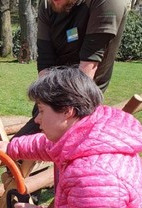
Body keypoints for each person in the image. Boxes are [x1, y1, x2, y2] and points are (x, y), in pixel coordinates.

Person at [0, 66, 142, 208]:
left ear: (67, 111)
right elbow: (51, 145)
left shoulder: (93, 174)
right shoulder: (95, 133)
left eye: (41, 110)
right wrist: (13, 147)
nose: (37, 119)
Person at [15, 0, 127, 136]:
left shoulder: (107, 2)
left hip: (83, 90)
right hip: (53, 88)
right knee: (34, 132)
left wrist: (59, 111)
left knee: (47, 139)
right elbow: (45, 59)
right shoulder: (47, 4)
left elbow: (88, 67)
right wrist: (43, 107)